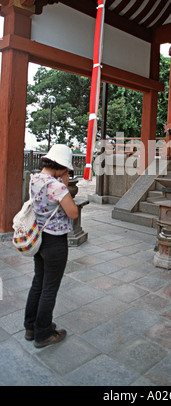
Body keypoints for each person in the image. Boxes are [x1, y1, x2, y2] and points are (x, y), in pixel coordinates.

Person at [24, 144, 78, 348]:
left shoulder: (35, 179)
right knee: (49, 288)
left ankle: (31, 326)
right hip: (55, 242)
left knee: (38, 282)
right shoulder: (57, 186)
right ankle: (43, 333)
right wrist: (64, 185)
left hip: (39, 237)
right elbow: (73, 212)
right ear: (61, 166)